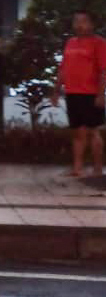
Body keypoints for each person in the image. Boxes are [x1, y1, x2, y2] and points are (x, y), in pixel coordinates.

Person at [53, 10, 106, 178]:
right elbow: (63, 69)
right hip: (72, 92)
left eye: (83, 21)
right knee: (77, 132)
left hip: (90, 93)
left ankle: (98, 167)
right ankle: (77, 167)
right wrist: (56, 90)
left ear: (91, 24)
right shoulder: (70, 43)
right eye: (77, 21)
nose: (79, 25)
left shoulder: (99, 43)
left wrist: (101, 94)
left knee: (93, 131)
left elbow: (103, 71)